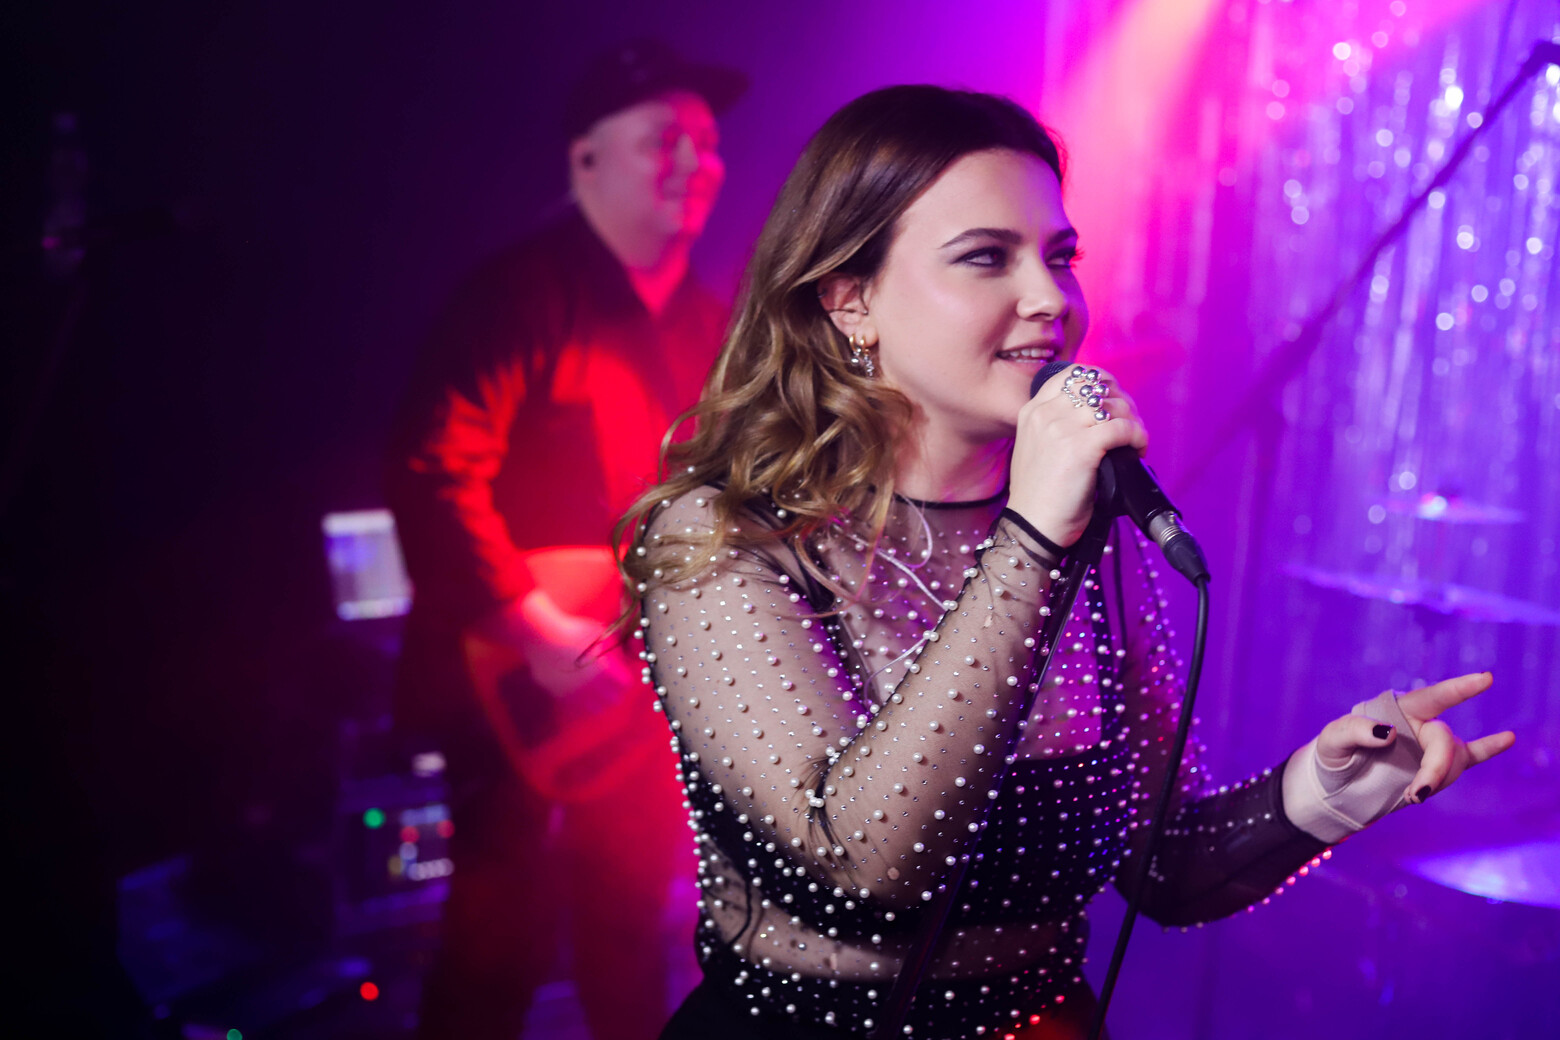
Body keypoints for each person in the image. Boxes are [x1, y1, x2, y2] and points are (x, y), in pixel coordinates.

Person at [615, 85, 1516, 1040]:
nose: (1050, 299)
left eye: (1059, 257)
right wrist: (1033, 539)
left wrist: (1329, 789)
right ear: (850, 299)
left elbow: (1167, 866)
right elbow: (866, 864)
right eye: (985, 257)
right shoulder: (721, 538)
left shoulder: (1092, 541)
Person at [386, 40, 747, 1040]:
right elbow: (431, 467)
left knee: (630, 937)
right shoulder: (519, 296)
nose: (694, 161)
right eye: (663, 139)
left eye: (707, 142)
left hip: (637, 696)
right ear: (585, 158)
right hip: (511, 689)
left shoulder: (712, 328)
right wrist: (534, 626)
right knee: (495, 941)